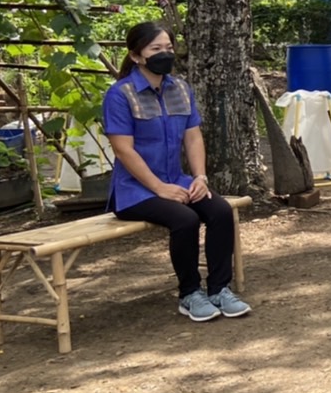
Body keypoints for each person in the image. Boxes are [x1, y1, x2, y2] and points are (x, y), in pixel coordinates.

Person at [103, 21, 251, 323]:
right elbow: (123, 150)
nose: (165, 54)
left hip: (177, 182)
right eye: (156, 49)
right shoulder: (120, 94)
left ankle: (219, 289)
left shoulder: (180, 89)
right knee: (185, 219)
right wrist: (159, 188)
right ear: (136, 56)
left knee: (220, 210)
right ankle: (189, 294)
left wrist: (200, 177)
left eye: (169, 48)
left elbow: (193, 136)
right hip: (134, 191)